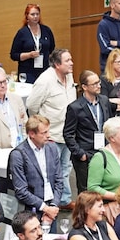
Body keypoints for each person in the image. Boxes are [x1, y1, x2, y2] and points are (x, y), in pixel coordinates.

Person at [27, 49, 77, 211]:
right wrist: (42, 129)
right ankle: (49, 202)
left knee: (65, 169)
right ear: (57, 64)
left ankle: (63, 200)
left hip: (68, 133)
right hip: (51, 135)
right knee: (50, 171)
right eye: (68, 60)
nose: (72, 63)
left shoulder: (69, 77)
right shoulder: (45, 81)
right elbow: (32, 106)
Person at [9, 115, 63, 232]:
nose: (48, 135)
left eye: (48, 131)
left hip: (51, 210)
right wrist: (45, 208)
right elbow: (21, 191)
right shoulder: (18, 155)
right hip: (31, 211)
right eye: (44, 133)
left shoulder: (52, 148)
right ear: (32, 134)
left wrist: (52, 207)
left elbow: (59, 180)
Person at [64, 70, 112, 194]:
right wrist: (80, 153)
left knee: (105, 186)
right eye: (94, 84)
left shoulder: (104, 101)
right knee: (86, 191)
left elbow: (110, 123)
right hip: (86, 154)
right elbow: (68, 134)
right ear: (84, 87)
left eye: (99, 82)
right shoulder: (75, 107)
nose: (99, 86)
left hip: (104, 151)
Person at [10, 4, 56, 84]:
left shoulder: (46, 30)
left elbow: (51, 48)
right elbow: (13, 55)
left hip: (44, 70)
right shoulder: (22, 33)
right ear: (27, 16)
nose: (35, 16)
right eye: (32, 14)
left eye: (37, 14)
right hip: (28, 72)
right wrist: (29, 55)